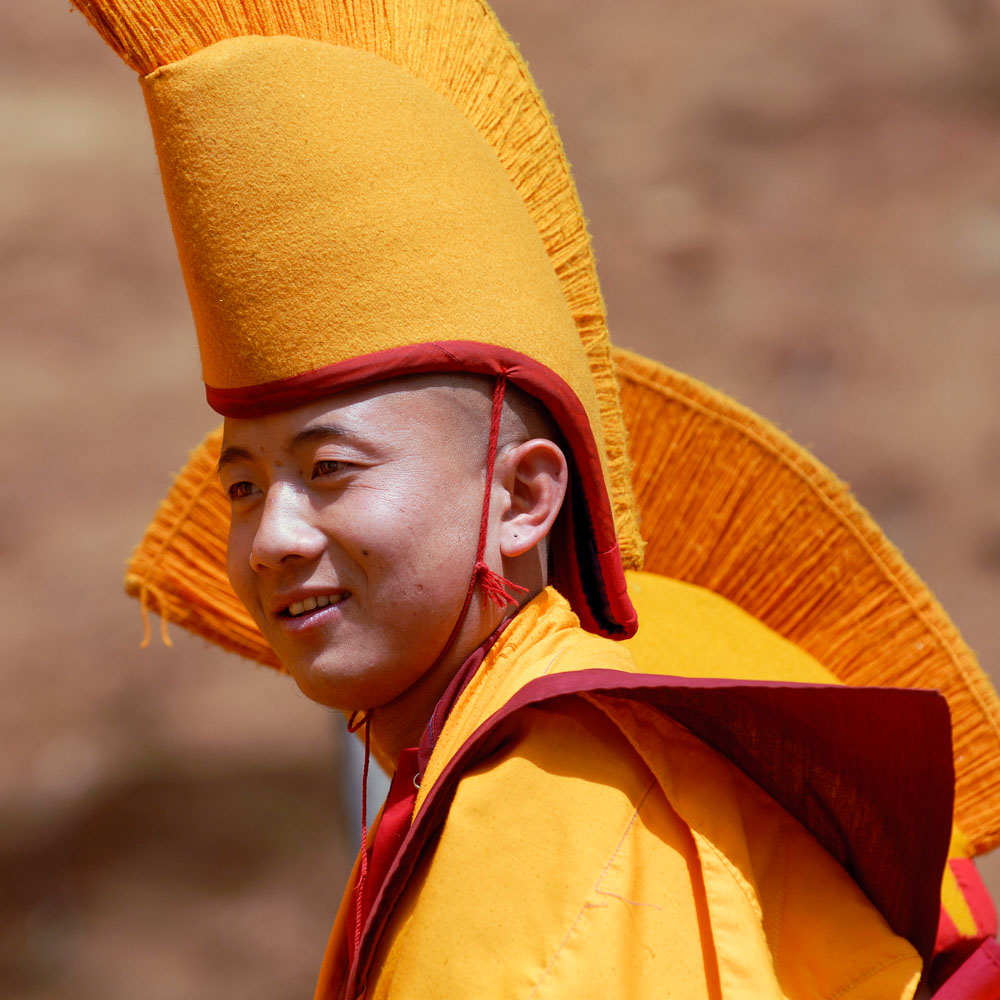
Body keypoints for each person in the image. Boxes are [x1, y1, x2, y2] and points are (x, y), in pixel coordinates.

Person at [68, 0, 1000, 996]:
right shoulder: (641, 662)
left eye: (330, 469)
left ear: (523, 495)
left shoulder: (546, 811)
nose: (271, 538)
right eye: (244, 485)